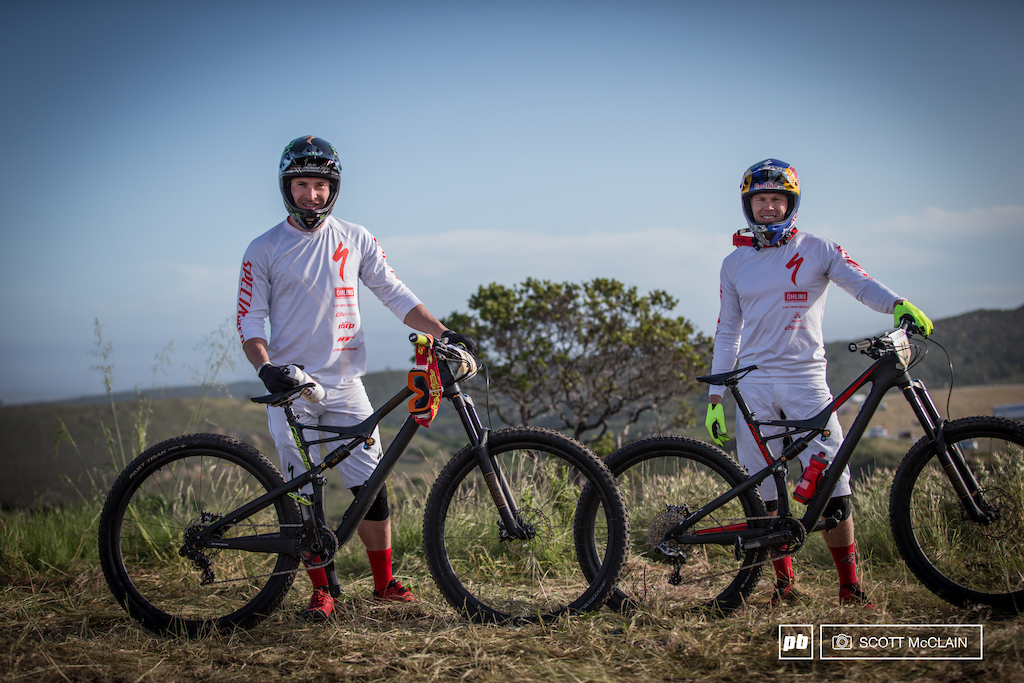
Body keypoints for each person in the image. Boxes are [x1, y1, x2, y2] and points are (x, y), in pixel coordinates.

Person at [236, 135, 474, 620]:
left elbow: (394, 292)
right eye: (301, 185)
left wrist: (445, 332)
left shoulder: (355, 236)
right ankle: (321, 591)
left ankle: (384, 583)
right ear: (287, 187)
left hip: (346, 384)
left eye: (320, 185)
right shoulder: (264, 248)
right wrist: (265, 367)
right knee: (304, 492)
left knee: (370, 486)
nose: (311, 195)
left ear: (333, 188)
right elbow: (249, 320)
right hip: (292, 388)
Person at [704, 158, 933, 610]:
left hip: (807, 380)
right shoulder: (734, 263)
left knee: (834, 484)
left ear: (791, 203)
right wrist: (714, 397)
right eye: (760, 200)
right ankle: (784, 587)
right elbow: (727, 330)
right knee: (764, 493)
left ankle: (851, 589)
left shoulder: (819, 248)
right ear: (749, 205)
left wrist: (898, 305)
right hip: (753, 385)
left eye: (777, 199)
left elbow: (861, 284)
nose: (769, 208)